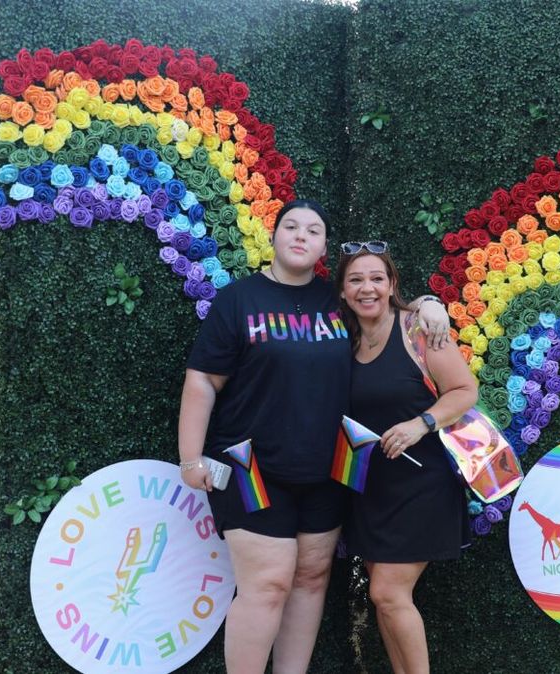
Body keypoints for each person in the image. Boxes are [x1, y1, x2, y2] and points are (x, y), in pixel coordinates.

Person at [176, 200, 449, 673]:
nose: (301, 236)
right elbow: (202, 380)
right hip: (250, 466)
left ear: (324, 247)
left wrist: (429, 304)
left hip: (327, 470)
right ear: (274, 236)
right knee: (268, 584)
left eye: (313, 230)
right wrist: (189, 458)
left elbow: (386, 308)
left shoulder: (337, 301)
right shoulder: (239, 300)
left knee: (310, 579)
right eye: (291, 227)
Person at [336, 242, 478, 674]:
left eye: (377, 278)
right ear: (342, 291)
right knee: (385, 602)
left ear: (392, 284)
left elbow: (464, 391)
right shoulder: (346, 338)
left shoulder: (418, 329)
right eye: (356, 279)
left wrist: (421, 424)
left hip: (421, 485)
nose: (368, 288)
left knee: (388, 594)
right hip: (372, 488)